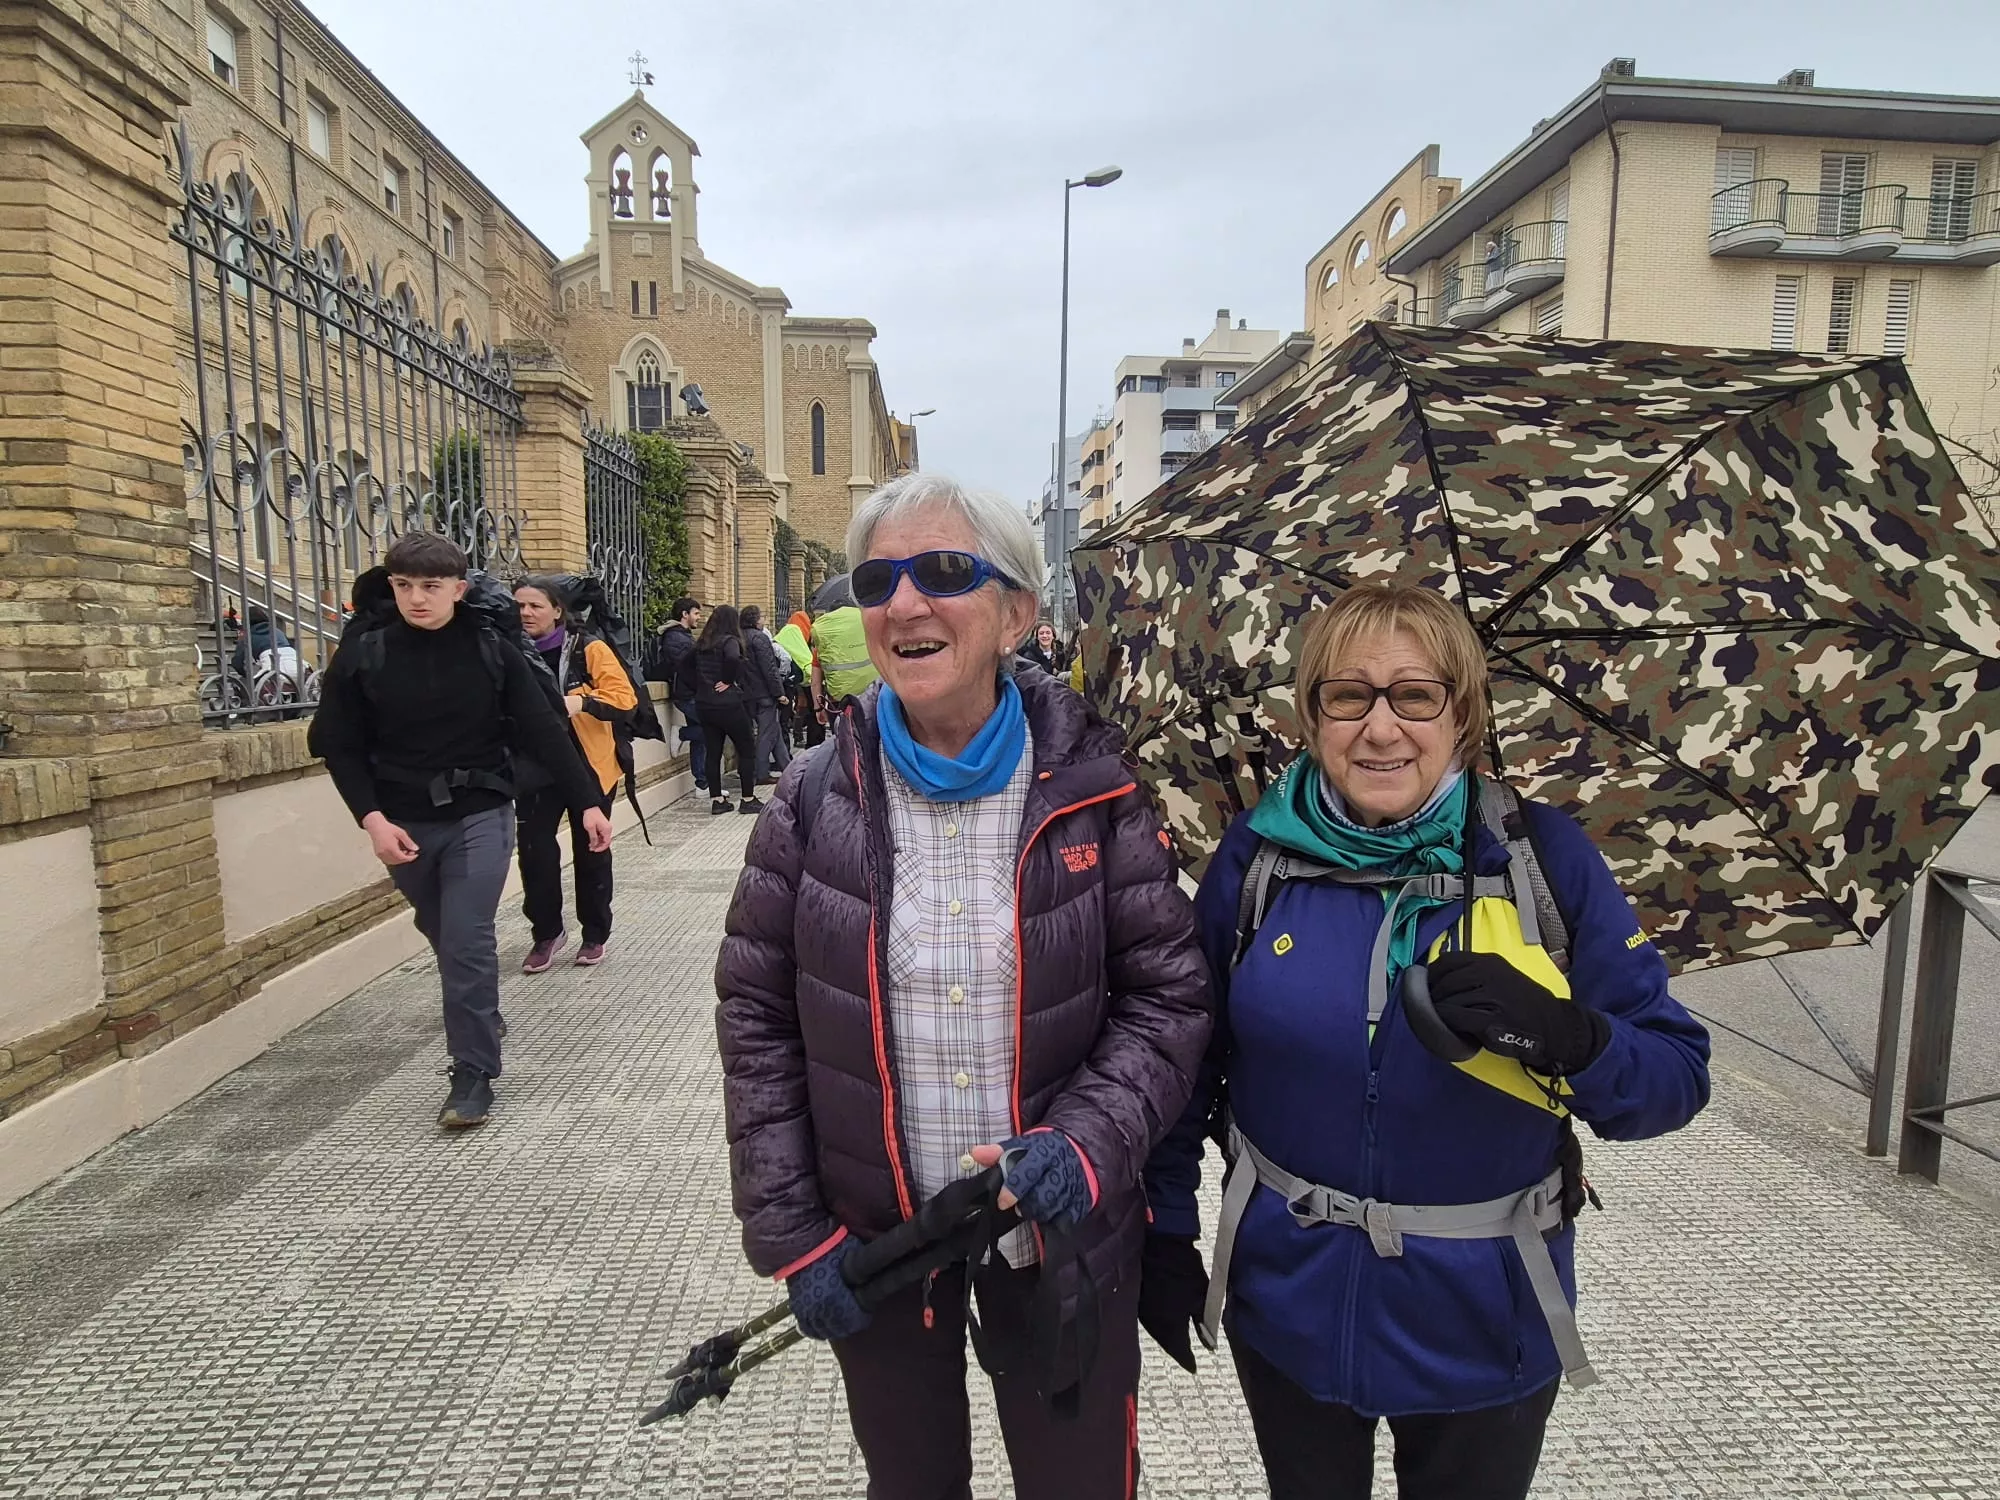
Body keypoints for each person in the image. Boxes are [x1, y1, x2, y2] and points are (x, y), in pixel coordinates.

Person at [1139, 582, 1711, 1500]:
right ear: (1311, 713)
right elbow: (1181, 1062)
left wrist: (1570, 1036)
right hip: (1290, 1303)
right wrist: (1162, 1229)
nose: (1380, 727)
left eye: (1415, 694)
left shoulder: (1538, 860)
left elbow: (1675, 1078)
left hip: (1488, 1319)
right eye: (1347, 694)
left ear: (1462, 711)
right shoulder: (1259, 859)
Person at [716, 473, 1213, 1500]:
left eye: (943, 572)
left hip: (1058, 1234)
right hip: (877, 1240)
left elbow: (1167, 1001)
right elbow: (756, 1016)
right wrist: (792, 1236)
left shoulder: (1097, 787)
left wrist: (1081, 1146)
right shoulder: (812, 798)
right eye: (877, 578)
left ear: (1016, 613)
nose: (903, 604)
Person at [308, 534, 612, 1129]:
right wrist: (371, 819)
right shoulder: (365, 655)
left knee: (467, 938)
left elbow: (546, 731)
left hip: (480, 811)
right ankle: (479, 1012)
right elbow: (338, 747)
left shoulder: (490, 650)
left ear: (458, 589)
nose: (417, 598)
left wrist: (588, 806)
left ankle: (472, 1070)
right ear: (391, 588)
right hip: (400, 823)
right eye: (404, 586)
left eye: (430, 586)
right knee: (443, 930)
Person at [513, 576, 638, 972]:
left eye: (535, 605)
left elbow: (625, 699)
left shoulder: (589, 649)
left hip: (590, 765)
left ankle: (594, 933)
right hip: (535, 767)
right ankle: (547, 933)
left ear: (557, 610)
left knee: (592, 851)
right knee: (534, 852)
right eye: (519, 606)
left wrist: (579, 701)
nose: (526, 613)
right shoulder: (510, 650)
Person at [693, 604, 763, 815]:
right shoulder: (730, 641)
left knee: (713, 752)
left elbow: (685, 667)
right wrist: (727, 680)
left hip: (705, 704)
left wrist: (700, 686)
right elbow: (733, 658)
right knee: (746, 747)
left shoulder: (702, 643)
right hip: (728, 704)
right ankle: (748, 798)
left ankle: (717, 800)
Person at [646, 597, 705, 788]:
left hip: (690, 692)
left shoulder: (683, 635)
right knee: (712, 728)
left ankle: (701, 783)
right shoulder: (676, 637)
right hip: (686, 694)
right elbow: (687, 668)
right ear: (684, 614)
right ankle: (681, 734)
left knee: (702, 738)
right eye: (696, 613)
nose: (699, 617)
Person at [739, 604, 792, 785]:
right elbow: (769, 668)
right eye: (762, 617)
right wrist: (779, 693)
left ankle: (788, 767)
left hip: (747, 694)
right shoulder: (759, 638)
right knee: (766, 735)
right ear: (755, 620)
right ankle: (761, 773)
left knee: (773, 731)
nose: (764, 621)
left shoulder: (739, 638)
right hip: (764, 694)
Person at [230, 602, 292, 682]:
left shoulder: (248, 636)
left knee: (244, 684)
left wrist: (246, 675)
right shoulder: (278, 631)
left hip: (272, 673)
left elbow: (237, 663)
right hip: (301, 669)